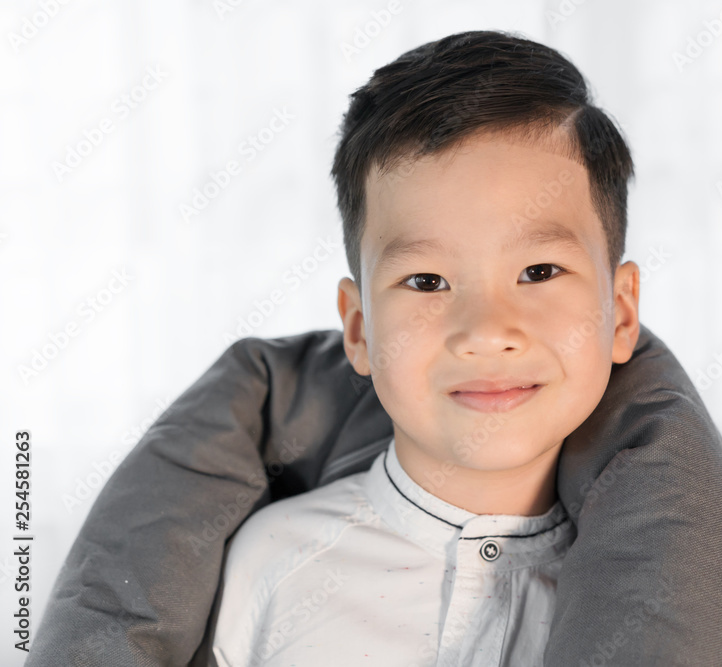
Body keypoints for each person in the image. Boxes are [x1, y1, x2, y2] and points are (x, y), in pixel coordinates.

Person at [211, 29, 642, 666]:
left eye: (539, 272)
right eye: (427, 282)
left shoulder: (653, 591)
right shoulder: (272, 565)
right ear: (360, 330)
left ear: (621, 313)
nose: (486, 332)